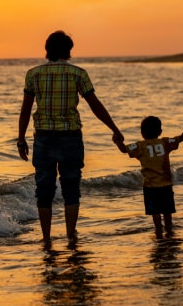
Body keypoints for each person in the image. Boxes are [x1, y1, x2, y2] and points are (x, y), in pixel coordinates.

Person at [17, 30, 124, 247]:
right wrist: (114, 128)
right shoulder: (78, 74)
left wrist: (20, 138)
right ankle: (70, 235)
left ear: (47, 49)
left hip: (44, 138)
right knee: (71, 188)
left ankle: (46, 239)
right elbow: (95, 105)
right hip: (71, 138)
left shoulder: (33, 74)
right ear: (69, 50)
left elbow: (26, 110)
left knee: (44, 189)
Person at [115, 116, 183, 238]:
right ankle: (169, 231)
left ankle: (158, 232)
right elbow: (182, 138)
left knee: (155, 212)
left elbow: (123, 149)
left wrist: (117, 141)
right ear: (160, 132)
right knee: (167, 211)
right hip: (166, 185)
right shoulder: (165, 143)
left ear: (142, 133)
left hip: (150, 186)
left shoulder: (140, 146)